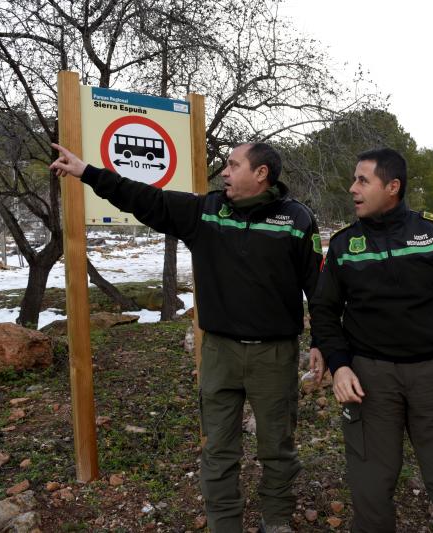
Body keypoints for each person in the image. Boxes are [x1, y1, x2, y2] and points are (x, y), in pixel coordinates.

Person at [50, 142, 325, 533]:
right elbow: (145, 198)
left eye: (233, 165)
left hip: (274, 355)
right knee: (218, 449)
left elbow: (319, 286)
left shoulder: (297, 219)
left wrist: (325, 342)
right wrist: (88, 173)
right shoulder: (205, 212)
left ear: (261, 173)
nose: (225, 173)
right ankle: (223, 524)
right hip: (219, 353)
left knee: (277, 448)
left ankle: (276, 521)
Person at [311, 148, 433, 532]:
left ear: (392, 187)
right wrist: (340, 365)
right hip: (369, 379)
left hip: (430, 375)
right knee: (371, 484)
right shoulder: (343, 245)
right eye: (354, 180)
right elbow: (324, 310)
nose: (352, 188)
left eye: (362, 180)